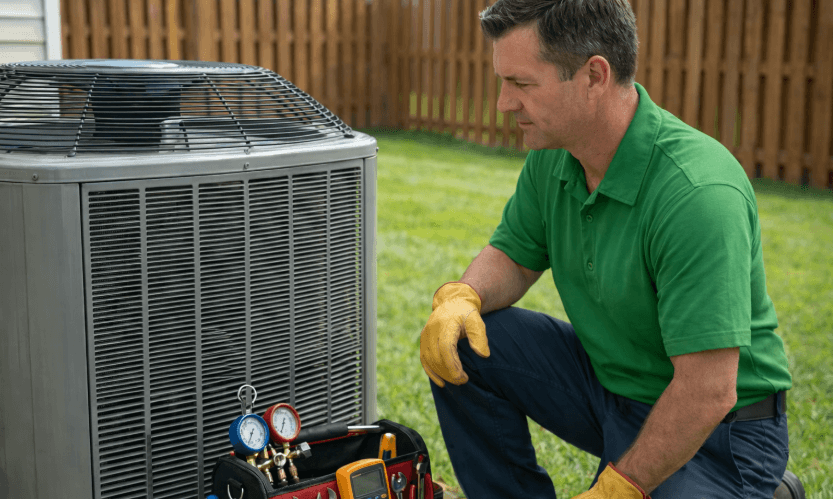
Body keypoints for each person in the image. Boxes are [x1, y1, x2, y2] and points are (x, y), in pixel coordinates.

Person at [418, 1, 792, 498]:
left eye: (522, 84)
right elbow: (514, 255)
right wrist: (462, 295)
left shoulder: (697, 194)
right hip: (612, 392)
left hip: (722, 432)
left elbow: (708, 391)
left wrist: (621, 486)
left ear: (594, 75)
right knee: (464, 337)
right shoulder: (557, 157)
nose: (504, 104)